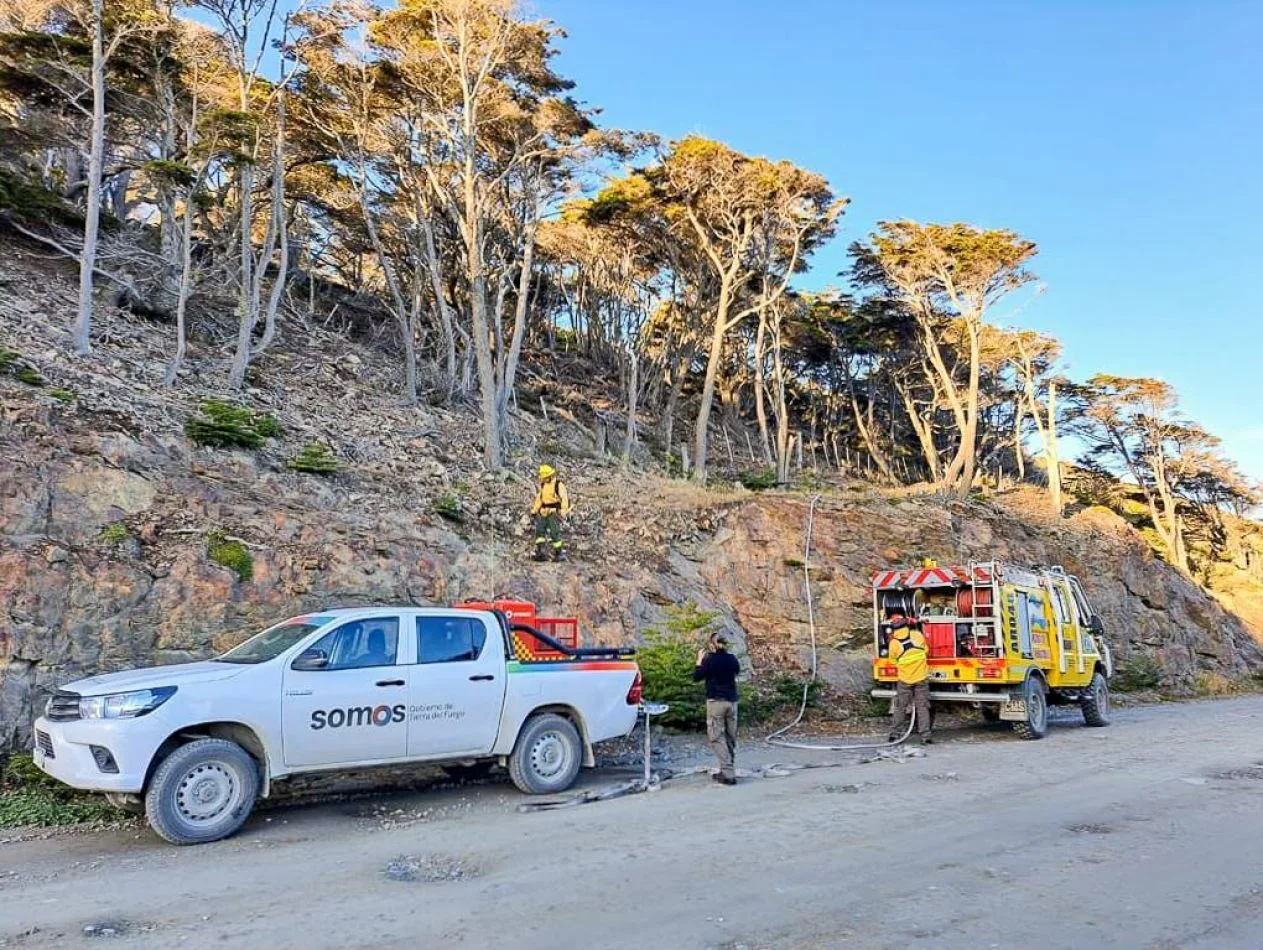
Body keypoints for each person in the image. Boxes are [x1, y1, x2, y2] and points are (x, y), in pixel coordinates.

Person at [693, 633, 741, 785]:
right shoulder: (732, 658)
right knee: (729, 736)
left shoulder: (710, 660)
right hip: (732, 702)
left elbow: (697, 676)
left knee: (716, 737)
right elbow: (737, 671)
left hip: (716, 702)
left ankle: (727, 773)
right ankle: (728, 767)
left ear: (712, 645)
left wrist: (699, 660)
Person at [887, 611, 933, 744]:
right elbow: (925, 651)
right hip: (921, 678)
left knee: (900, 707)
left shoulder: (894, 644)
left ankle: (895, 735)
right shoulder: (918, 635)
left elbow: (892, 661)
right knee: (922, 707)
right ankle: (926, 737)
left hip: (905, 680)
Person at [531, 464, 571, 562]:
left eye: (544, 478)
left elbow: (564, 499)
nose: (542, 480)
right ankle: (541, 552)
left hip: (554, 512)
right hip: (543, 512)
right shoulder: (543, 485)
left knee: (555, 532)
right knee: (540, 531)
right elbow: (539, 499)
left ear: (550, 476)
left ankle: (559, 554)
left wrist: (563, 511)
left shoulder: (558, 485)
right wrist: (535, 510)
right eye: (542, 478)